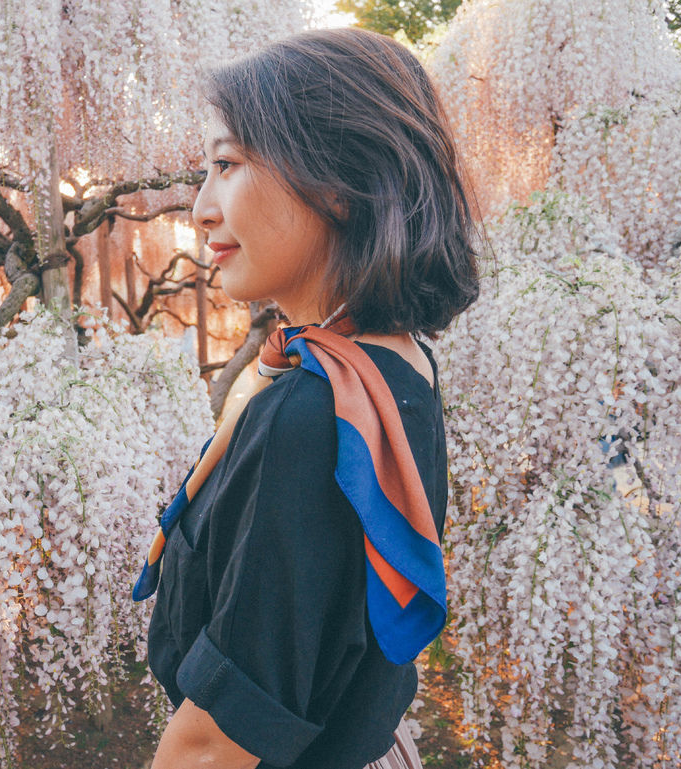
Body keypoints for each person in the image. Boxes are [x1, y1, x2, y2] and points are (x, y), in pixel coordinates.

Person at [133, 27, 480, 769]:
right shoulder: (393, 364)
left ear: (337, 185)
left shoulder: (318, 412)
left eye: (228, 164)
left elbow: (216, 743)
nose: (200, 208)